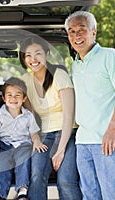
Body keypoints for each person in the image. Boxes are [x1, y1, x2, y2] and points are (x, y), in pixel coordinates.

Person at [64, 11, 115, 199]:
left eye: (81, 30)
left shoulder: (110, 55)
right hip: (84, 141)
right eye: (71, 31)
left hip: (110, 140)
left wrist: (111, 130)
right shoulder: (76, 64)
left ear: (93, 32)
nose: (76, 35)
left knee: (112, 195)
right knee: (90, 195)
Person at [19, 36, 82, 200]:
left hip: (67, 133)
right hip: (43, 136)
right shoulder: (25, 80)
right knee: (36, 178)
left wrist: (60, 151)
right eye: (28, 55)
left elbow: (69, 115)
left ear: (46, 54)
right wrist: (35, 139)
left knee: (66, 181)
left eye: (38, 53)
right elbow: (29, 115)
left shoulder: (59, 74)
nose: (33, 59)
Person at [0, 77, 48, 200]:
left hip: (23, 144)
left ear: (24, 98)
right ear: (4, 98)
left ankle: (22, 191)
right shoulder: (1, 113)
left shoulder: (28, 115)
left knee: (24, 160)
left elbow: (34, 133)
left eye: (17, 95)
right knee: (0, 163)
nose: (13, 98)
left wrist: (36, 141)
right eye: (9, 95)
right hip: (5, 144)